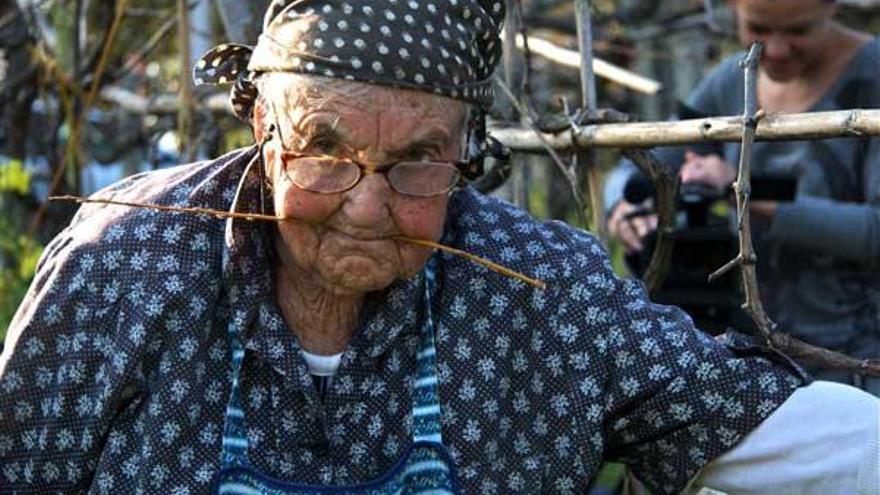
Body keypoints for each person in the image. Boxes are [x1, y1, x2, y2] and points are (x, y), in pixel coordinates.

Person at [0, 1, 877, 494]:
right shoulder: (126, 267)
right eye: (327, 149)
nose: (368, 204)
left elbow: (779, 431)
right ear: (262, 124)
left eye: (418, 159)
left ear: (466, 150)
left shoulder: (537, 292)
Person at [605, 0, 880, 389]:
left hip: (861, 363)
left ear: (833, 8)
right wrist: (622, 205)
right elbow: (636, 162)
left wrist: (743, 185)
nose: (777, 48)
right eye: (758, 29)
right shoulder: (731, 82)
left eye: (799, 31)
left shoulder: (872, 79)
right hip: (759, 362)